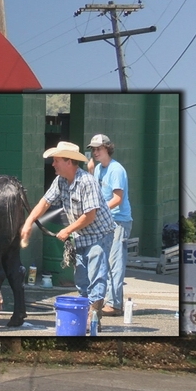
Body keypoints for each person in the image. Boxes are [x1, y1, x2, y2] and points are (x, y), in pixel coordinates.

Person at [21, 141, 115, 332]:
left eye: (57, 160)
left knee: (96, 276)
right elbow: (45, 202)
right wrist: (29, 221)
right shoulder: (61, 181)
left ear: (69, 162)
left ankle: (94, 318)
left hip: (99, 234)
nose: (53, 164)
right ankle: (85, 314)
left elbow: (90, 215)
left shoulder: (86, 182)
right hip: (81, 236)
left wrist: (67, 230)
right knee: (81, 278)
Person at [86, 134, 132, 316]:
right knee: (105, 260)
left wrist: (98, 211)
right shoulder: (98, 169)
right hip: (105, 220)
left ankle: (114, 304)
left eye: (99, 148)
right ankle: (114, 300)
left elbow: (118, 199)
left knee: (115, 261)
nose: (95, 152)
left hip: (119, 220)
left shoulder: (116, 170)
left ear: (107, 148)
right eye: (93, 149)